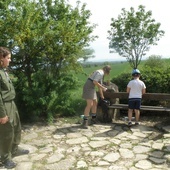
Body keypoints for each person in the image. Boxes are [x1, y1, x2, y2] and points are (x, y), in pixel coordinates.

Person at [0, 47, 29, 169]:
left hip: (11, 103)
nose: (10, 60)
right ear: (1, 58)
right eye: (8, 58)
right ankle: (5, 158)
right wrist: (2, 114)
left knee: (16, 126)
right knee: (7, 131)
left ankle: (15, 149)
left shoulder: (3, 70)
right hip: (4, 105)